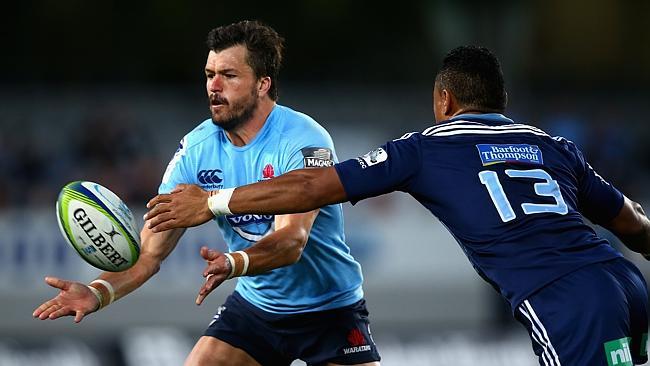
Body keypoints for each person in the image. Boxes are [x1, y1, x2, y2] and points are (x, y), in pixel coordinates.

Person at [145, 46, 650, 366]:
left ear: (444, 101)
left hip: (563, 299)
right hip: (625, 285)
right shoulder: (553, 145)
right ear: (502, 101)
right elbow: (632, 223)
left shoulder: (428, 145)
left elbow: (308, 190)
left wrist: (213, 203)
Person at [33, 20, 381, 366]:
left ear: (263, 84)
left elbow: (291, 242)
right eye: (209, 73)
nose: (213, 86)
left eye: (228, 75)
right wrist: (98, 292)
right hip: (256, 310)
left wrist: (232, 261)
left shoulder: (303, 140)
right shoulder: (195, 151)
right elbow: (150, 254)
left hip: (330, 309)